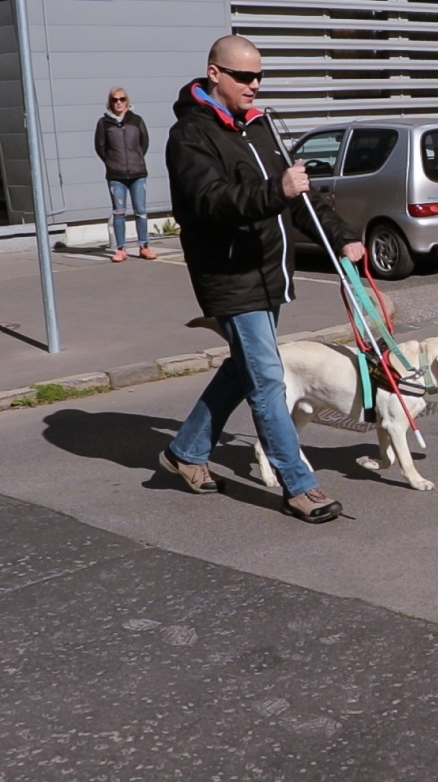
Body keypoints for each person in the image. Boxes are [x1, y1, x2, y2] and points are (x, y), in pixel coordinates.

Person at [160, 35, 365, 524]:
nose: (255, 85)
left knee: (244, 367)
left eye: (259, 76)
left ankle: (185, 452)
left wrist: (341, 237)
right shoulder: (189, 136)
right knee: (268, 378)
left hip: (268, 273)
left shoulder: (259, 127)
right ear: (215, 74)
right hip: (229, 275)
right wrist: (277, 188)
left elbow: (299, 198)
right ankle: (299, 485)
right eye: (244, 76)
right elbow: (213, 201)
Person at [94, 86, 155, 262]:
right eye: (115, 100)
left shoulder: (136, 120)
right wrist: (112, 162)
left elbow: (144, 143)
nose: (118, 103)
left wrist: (136, 159)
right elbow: (100, 147)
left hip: (137, 173)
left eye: (122, 99)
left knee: (141, 211)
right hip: (116, 175)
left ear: (127, 101)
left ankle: (144, 246)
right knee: (119, 212)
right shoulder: (104, 123)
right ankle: (120, 249)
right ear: (110, 102)